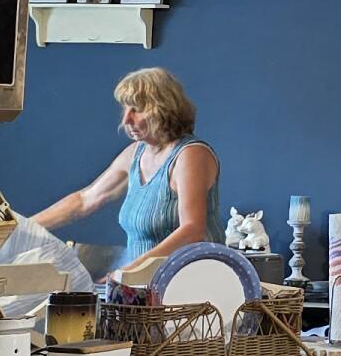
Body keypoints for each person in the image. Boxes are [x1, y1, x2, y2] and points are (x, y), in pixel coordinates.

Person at [31, 67, 220, 277]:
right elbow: (85, 200)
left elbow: (192, 230)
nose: (126, 120)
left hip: (190, 280)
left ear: (164, 109)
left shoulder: (190, 154)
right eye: (125, 109)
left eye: (137, 109)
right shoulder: (135, 153)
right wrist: (22, 227)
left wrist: (126, 273)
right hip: (144, 282)